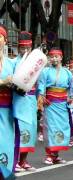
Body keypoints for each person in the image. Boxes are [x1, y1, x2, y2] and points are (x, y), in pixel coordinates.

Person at [38, 47, 73, 165]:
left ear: (61, 57)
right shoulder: (45, 71)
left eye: (56, 56)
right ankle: (49, 155)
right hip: (50, 104)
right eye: (51, 56)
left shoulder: (67, 72)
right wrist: (42, 97)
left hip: (62, 105)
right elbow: (41, 85)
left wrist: (70, 97)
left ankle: (56, 155)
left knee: (62, 128)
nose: (54, 59)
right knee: (50, 128)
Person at [13, 31, 37, 171]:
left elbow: (40, 83)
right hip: (18, 100)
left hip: (31, 100)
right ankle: (14, 160)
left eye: (27, 48)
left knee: (31, 128)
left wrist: (40, 97)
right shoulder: (13, 62)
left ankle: (23, 160)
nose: (25, 51)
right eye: (22, 48)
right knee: (18, 130)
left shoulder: (36, 64)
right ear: (18, 48)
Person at [0, 25, 17, 179]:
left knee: (5, 146)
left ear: (5, 41)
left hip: (6, 111)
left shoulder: (12, 64)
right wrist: (3, 82)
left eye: (0, 36)